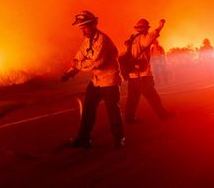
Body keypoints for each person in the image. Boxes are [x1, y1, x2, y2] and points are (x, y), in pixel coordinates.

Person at [61, 10, 125, 149]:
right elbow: (79, 57)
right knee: (88, 109)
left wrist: (77, 65)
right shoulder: (87, 41)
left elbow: (96, 62)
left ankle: (119, 138)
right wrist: (70, 73)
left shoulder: (103, 40)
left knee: (113, 111)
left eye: (85, 27)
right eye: (81, 28)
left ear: (94, 24)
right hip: (96, 81)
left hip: (109, 81)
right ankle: (83, 139)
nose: (83, 30)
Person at [123, 18, 174, 124]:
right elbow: (152, 36)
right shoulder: (144, 37)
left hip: (132, 75)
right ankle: (163, 115)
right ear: (145, 29)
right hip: (143, 75)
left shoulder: (132, 39)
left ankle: (129, 118)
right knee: (153, 97)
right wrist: (160, 26)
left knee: (132, 99)